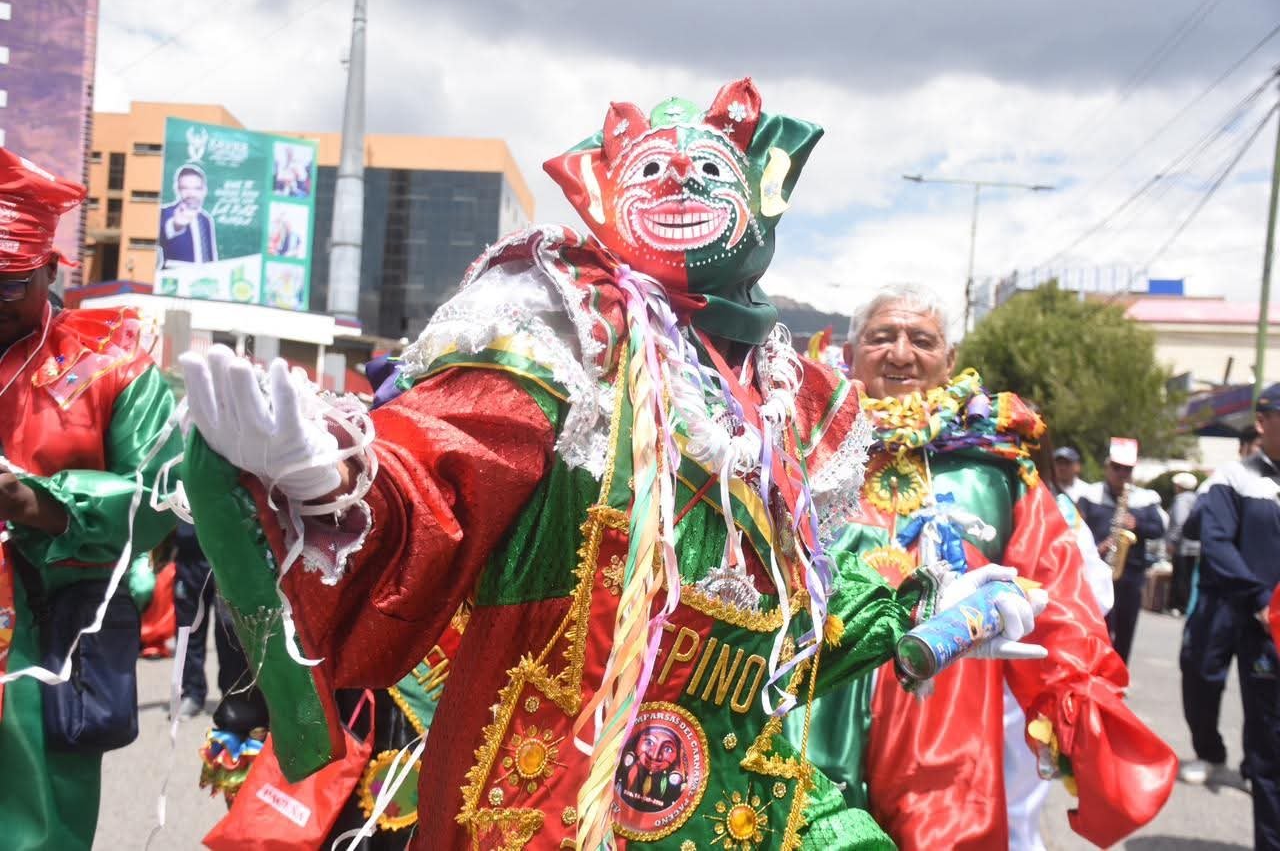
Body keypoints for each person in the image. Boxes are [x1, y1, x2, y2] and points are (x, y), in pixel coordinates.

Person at [178, 79, 1044, 849]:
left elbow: (809, 604)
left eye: (707, 176)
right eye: (653, 174)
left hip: (739, 801)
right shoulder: (565, 334)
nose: (678, 189)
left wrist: (933, 601)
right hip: (544, 803)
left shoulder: (790, 399)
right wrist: (330, 476)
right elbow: (448, 463)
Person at [793, 284, 1175, 850]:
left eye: (921, 340)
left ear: (949, 362)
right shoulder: (799, 450)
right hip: (814, 702)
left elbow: (1058, 591)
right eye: (882, 338)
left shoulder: (997, 471)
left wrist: (1076, 705)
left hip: (946, 710)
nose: (901, 353)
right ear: (848, 357)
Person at [0, 147, 179, 848]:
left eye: (9, 282)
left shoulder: (113, 366)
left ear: (52, 270)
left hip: (49, 636)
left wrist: (34, 503)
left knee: (36, 822)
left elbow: (162, 499)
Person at [1179, 384, 1280, 848]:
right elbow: (1214, 543)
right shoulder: (1233, 478)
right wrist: (1260, 600)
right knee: (1205, 677)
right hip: (1248, 616)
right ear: (1262, 422)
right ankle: (1210, 750)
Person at [1078, 438, 1167, 665]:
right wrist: (1098, 547)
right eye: (1116, 468)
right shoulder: (1090, 495)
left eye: (1127, 469)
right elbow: (1076, 530)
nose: (1121, 473)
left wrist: (1137, 525)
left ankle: (1119, 673)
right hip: (1096, 572)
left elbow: (1158, 529)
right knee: (1097, 625)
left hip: (1130, 575)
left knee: (1126, 628)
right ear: (1107, 467)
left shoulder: (1145, 498)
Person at [172, 520, 253, 720]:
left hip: (224, 554)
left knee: (228, 633)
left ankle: (232, 697)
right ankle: (191, 693)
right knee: (187, 630)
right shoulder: (176, 486)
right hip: (188, 557)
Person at [159, 163, 218, 265]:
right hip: (177, 277)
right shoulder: (165, 213)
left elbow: (211, 255)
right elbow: (167, 230)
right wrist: (177, 225)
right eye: (185, 188)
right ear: (177, 189)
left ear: (204, 190)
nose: (191, 194)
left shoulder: (206, 219)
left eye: (197, 188)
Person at [1167, 471, 1200, 615]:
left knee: (1180, 575)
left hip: (1182, 546)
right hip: (1195, 546)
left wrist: (1172, 541)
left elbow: (1180, 522)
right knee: (1188, 576)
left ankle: (1178, 606)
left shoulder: (1181, 500)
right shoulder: (1196, 498)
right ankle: (1185, 605)